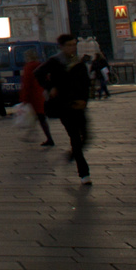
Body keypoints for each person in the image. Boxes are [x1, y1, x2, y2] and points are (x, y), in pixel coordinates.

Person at [37, 33, 93, 185]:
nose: (72, 47)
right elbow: (38, 73)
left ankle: (73, 155)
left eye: (74, 44)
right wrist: (50, 88)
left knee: (87, 137)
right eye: (69, 45)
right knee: (75, 137)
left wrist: (84, 100)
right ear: (61, 47)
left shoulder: (79, 63)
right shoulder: (55, 62)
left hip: (79, 105)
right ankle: (84, 174)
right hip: (64, 105)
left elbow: (85, 83)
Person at [20, 48, 55, 144]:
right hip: (41, 94)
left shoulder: (28, 67)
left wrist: (24, 98)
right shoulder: (40, 65)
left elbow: (27, 83)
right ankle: (35, 135)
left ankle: (47, 138)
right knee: (39, 117)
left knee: (39, 117)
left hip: (33, 96)